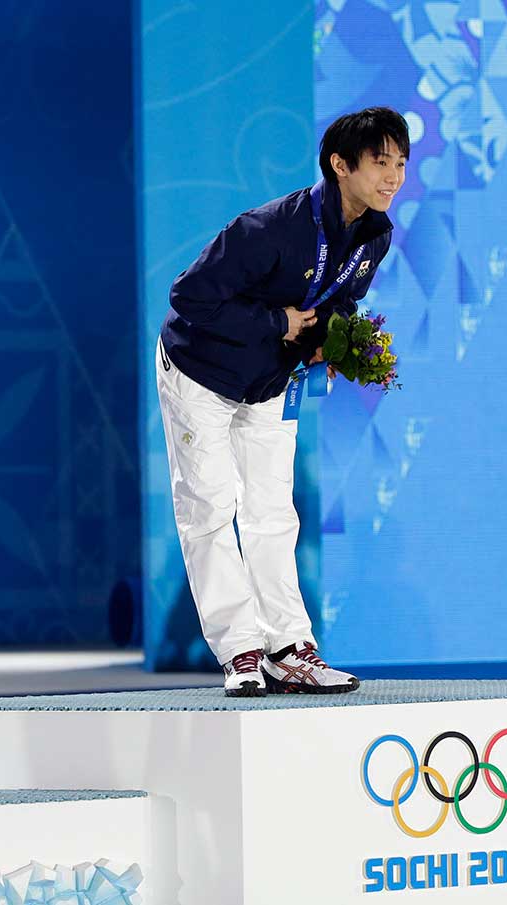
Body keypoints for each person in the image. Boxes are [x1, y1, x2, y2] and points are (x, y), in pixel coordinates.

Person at [155, 107, 408, 696]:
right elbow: (189, 298)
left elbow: (339, 301)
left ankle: (289, 647)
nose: (393, 176)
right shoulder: (267, 229)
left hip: (270, 382)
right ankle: (241, 649)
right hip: (200, 373)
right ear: (340, 165)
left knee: (273, 511)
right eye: (380, 162)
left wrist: (329, 343)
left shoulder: (376, 233)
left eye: (400, 163)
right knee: (211, 507)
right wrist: (279, 320)